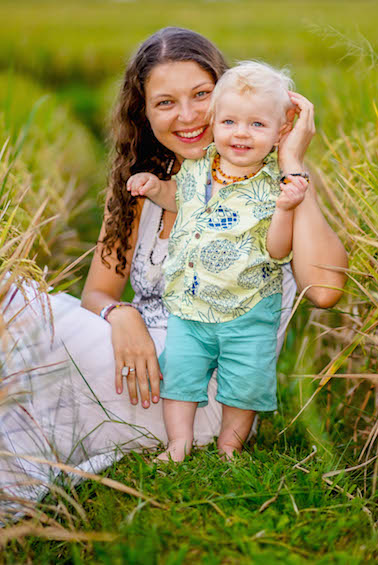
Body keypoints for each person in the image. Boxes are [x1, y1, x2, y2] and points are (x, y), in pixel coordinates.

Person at [0, 27, 347, 506]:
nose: (187, 117)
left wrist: (292, 160)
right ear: (143, 113)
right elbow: (98, 294)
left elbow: (327, 290)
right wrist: (121, 316)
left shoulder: (276, 187)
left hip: (204, 393)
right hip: (138, 369)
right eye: (165, 102)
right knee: (0, 299)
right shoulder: (142, 187)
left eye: (201, 95)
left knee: (23, 319)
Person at [126, 61, 310, 461]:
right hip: (190, 306)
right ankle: (179, 442)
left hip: (246, 311)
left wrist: (284, 209)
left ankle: (230, 445)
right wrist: (156, 187)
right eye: (229, 121)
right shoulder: (198, 167)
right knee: (180, 375)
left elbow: (278, 250)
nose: (240, 133)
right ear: (215, 122)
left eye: (257, 125)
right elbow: (180, 198)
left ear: (281, 131)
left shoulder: (273, 184)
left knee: (244, 383)